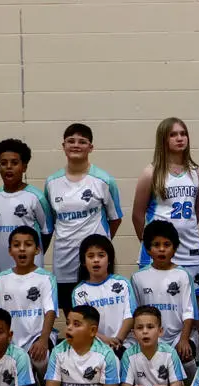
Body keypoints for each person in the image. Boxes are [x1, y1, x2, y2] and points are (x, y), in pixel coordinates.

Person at [46, 123, 123, 310]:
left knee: (100, 312)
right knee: (72, 314)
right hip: (64, 260)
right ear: (63, 146)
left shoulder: (104, 180)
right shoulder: (52, 182)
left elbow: (115, 219)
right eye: (71, 141)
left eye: (82, 141)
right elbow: (51, 222)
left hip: (94, 261)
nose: (76, 145)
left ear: (91, 147)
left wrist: (99, 244)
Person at [133, 117, 199, 295]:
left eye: (183, 134)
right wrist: (149, 244)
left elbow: (196, 212)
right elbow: (137, 215)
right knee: (154, 302)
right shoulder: (151, 173)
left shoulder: (198, 173)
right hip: (159, 249)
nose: (180, 138)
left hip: (189, 248)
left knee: (191, 303)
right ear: (163, 139)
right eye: (173, 135)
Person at [0, 226, 57, 377]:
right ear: (10, 251)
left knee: (42, 358)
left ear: (37, 250)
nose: (22, 249)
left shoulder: (46, 278)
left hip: (37, 337)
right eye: (16, 245)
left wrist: (43, 340)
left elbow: (50, 311)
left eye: (28, 244)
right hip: (10, 339)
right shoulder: (1, 279)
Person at [132, 221, 199, 368]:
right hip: (150, 335)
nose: (162, 249)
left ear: (174, 248)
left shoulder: (183, 275)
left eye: (167, 244)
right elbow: (135, 314)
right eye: (156, 245)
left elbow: (189, 312)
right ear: (148, 249)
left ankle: (191, 383)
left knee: (185, 354)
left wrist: (184, 339)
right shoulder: (138, 278)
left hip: (178, 336)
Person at [115, 306, 191, 386]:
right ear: (133, 333)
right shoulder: (128, 354)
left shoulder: (170, 352)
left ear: (160, 331)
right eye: (140, 328)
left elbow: (177, 384)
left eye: (150, 327)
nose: (145, 331)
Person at [0, 138, 52, 278]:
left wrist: (32, 254)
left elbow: (47, 232)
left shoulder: (36, 197)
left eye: (14, 163)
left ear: (24, 167)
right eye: (3, 163)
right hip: (1, 268)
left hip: (30, 270)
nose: (9, 167)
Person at [72, 235, 136, 350]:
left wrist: (118, 340)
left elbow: (130, 316)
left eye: (101, 255)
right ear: (84, 262)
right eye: (90, 256)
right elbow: (83, 325)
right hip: (96, 347)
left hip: (125, 344)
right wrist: (106, 341)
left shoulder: (123, 283)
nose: (96, 260)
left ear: (109, 259)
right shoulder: (79, 292)